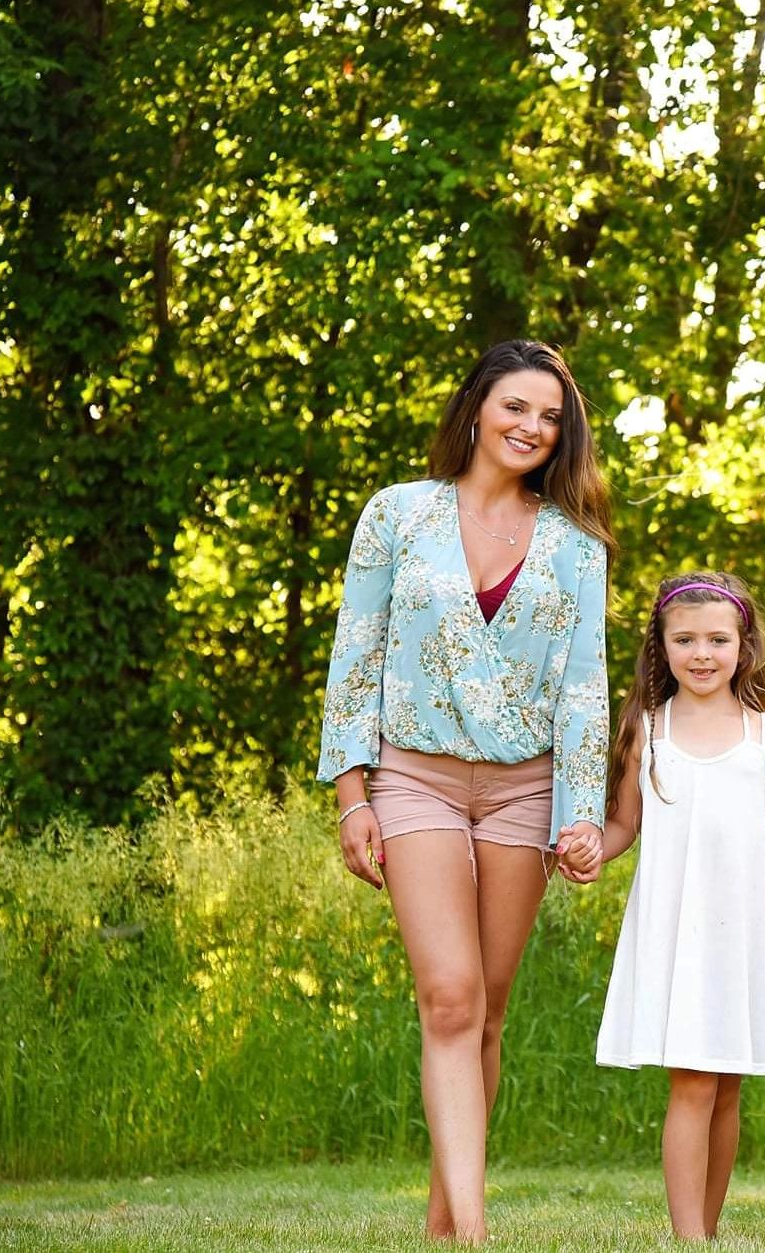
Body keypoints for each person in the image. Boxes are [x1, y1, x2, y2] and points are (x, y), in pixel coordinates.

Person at [318, 338, 614, 1243]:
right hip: (414, 777)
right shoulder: (397, 515)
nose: (531, 426)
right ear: (478, 408)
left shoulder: (575, 545)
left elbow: (584, 687)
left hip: (526, 793)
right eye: (516, 406)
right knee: (448, 995)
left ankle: (447, 1223)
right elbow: (354, 655)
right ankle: (478, 1235)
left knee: (487, 1005)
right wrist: (352, 794)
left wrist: (581, 817)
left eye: (550, 417)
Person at [594, 571, 765, 1240]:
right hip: (676, 929)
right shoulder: (647, 727)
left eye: (717, 639)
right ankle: (688, 1237)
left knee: (727, 1085)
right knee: (694, 1082)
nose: (702, 653)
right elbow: (621, 826)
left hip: (741, 934)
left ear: (744, 645)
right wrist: (587, 851)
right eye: (685, 639)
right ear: (661, 647)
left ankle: (706, 1226)